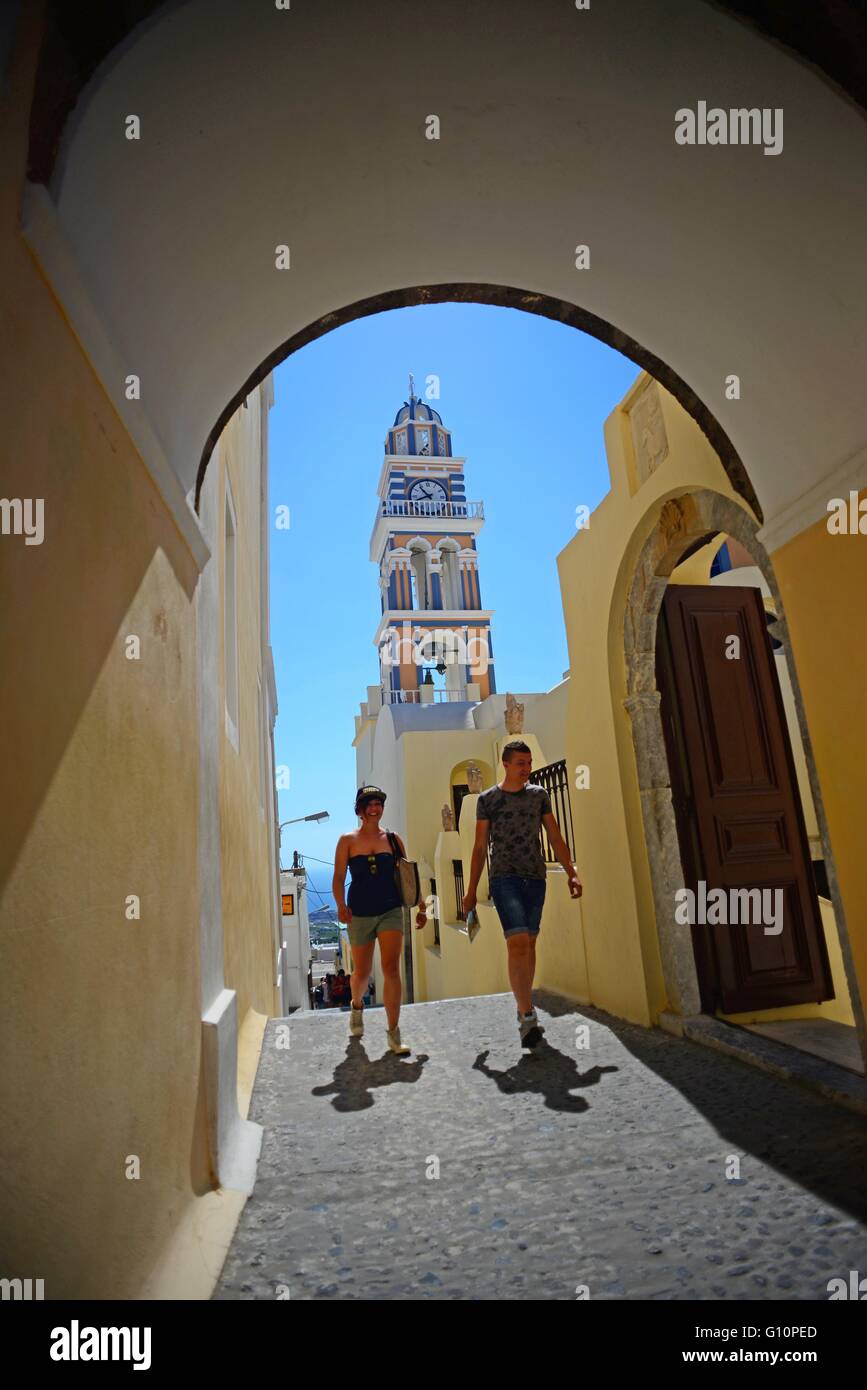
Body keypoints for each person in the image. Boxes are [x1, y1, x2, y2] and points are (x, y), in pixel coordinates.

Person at [463, 740, 582, 1048]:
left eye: (529, 763)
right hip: (504, 879)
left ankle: (523, 1008)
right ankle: (527, 1014)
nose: (527, 768)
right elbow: (479, 848)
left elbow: (554, 835)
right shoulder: (488, 800)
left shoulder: (539, 796)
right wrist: (470, 891)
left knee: (529, 943)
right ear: (506, 764)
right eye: (521, 763)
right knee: (516, 943)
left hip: (536, 878)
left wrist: (572, 872)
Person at [333, 784, 427, 1054]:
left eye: (378, 804)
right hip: (359, 913)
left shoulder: (394, 840)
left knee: (391, 969)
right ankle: (357, 1005)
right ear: (360, 810)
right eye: (369, 804)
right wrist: (340, 904)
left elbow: (408, 876)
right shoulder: (347, 841)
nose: (375, 808)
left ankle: (394, 1034)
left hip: (390, 910)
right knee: (361, 972)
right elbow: (339, 877)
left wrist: (421, 906)